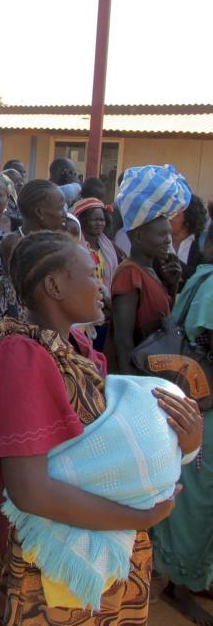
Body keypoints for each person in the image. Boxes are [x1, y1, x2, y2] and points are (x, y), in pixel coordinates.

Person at [0, 230, 201, 626]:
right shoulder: (23, 358)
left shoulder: (79, 352)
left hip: (98, 542)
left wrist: (185, 443)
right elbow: (30, 491)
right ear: (53, 285)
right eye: (91, 274)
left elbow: (107, 453)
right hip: (53, 562)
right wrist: (138, 519)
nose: (102, 284)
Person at [151, 263, 213, 626]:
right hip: (204, 407)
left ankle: (192, 577)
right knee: (197, 499)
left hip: (201, 405)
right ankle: (179, 585)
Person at [111, 164, 192, 374]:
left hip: (152, 372)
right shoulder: (130, 274)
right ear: (138, 237)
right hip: (138, 376)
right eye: (161, 235)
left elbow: (162, 323)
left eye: (168, 234)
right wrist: (131, 386)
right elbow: (123, 340)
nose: (168, 241)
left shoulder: (150, 271)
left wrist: (172, 286)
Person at [0, 179, 67, 322]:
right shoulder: (14, 243)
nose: (64, 214)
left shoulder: (55, 241)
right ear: (40, 212)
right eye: (60, 208)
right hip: (25, 325)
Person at [72, 197, 122, 351]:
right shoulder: (75, 248)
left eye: (101, 219)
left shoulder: (111, 248)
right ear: (82, 221)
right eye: (94, 220)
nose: (99, 223)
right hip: (82, 312)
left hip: (105, 312)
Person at [171, 194, 209, 283]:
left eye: (175, 214)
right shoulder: (158, 241)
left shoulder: (202, 244)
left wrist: (176, 264)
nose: (169, 218)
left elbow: (204, 278)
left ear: (188, 219)